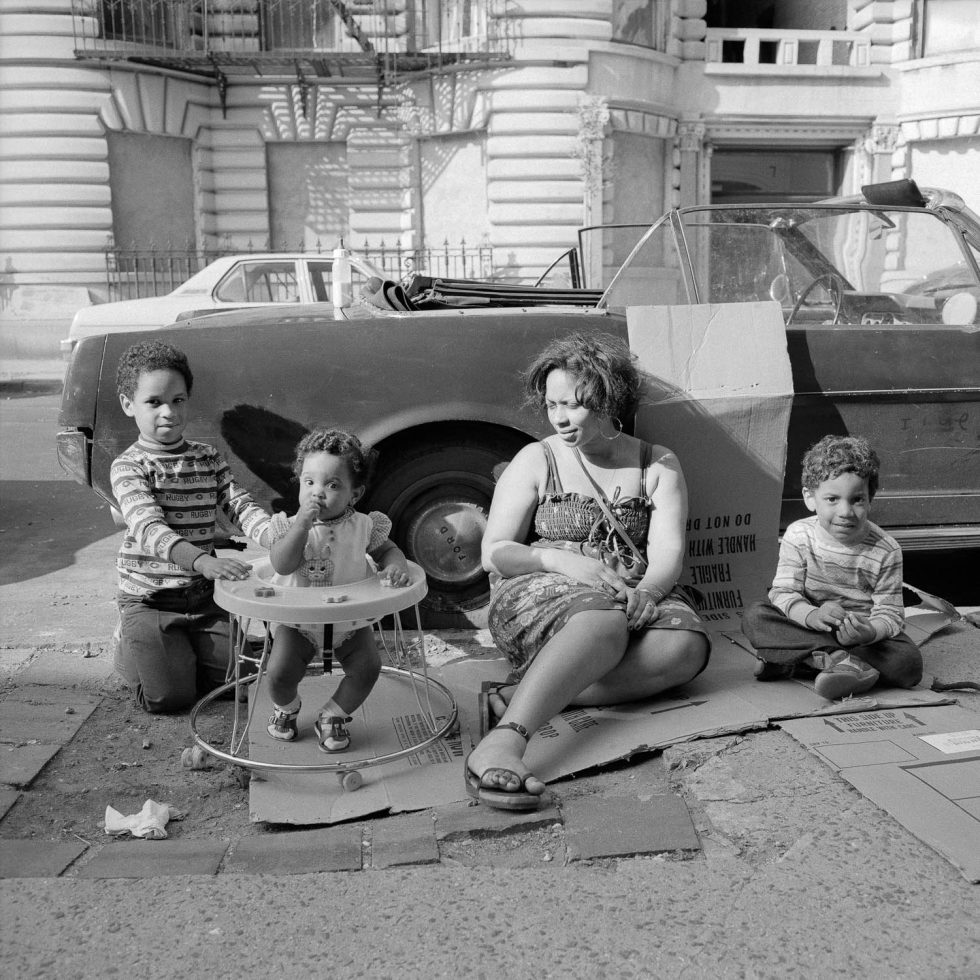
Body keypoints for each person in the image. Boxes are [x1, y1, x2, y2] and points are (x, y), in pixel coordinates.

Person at [468, 332, 711, 811]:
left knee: (686, 647)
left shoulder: (656, 462)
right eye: (553, 403)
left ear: (610, 401)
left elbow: (667, 553)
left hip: (628, 587)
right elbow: (493, 553)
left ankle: (524, 693)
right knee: (603, 618)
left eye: (576, 405)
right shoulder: (537, 458)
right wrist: (557, 559)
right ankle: (506, 739)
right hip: (540, 588)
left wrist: (650, 592)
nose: (560, 417)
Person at [112, 341, 272, 713]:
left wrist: (277, 534)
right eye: (154, 402)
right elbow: (150, 529)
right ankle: (129, 646)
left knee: (244, 683)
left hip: (204, 598)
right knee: (168, 699)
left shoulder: (207, 456)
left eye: (178, 400)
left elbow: (239, 504)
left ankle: (186, 654)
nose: (168, 412)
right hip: (150, 600)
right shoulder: (129, 466)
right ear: (128, 405)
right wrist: (203, 561)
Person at [742, 434, 922, 700]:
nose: (846, 511)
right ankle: (838, 661)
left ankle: (801, 661)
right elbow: (783, 593)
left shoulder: (886, 549)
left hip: (861, 638)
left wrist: (870, 631)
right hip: (810, 626)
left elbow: (891, 614)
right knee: (756, 616)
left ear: (870, 498)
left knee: (908, 664)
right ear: (810, 497)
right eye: (832, 499)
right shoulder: (798, 535)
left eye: (857, 499)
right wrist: (813, 615)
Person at [263, 428, 410, 752]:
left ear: (354, 494)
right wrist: (302, 524)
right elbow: (282, 565)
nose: (318, 492)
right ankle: (286, 708)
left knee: (367, 668)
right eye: (309, 482)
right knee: (279, 673)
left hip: (349, 621)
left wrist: (394, 565)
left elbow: (387, 551)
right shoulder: (290, 526)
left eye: (332, 485)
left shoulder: (364, 526)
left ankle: (333, 715)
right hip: (299, 621)